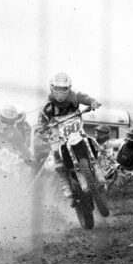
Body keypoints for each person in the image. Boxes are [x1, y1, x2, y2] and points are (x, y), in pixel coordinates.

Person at [36, 72, 102, 201]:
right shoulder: (47, 106)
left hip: (75, 126)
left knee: (88, 141)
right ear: (52, 88)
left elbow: (86, 98)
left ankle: (98, 168)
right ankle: (65, 185)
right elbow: (41, 123)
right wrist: (43, 130)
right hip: (56, 130)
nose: (61, 92)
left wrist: (93, 102)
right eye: (58, 88)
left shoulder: (74, 96)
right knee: (56, 154)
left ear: (69, 88)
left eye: (64, 89)